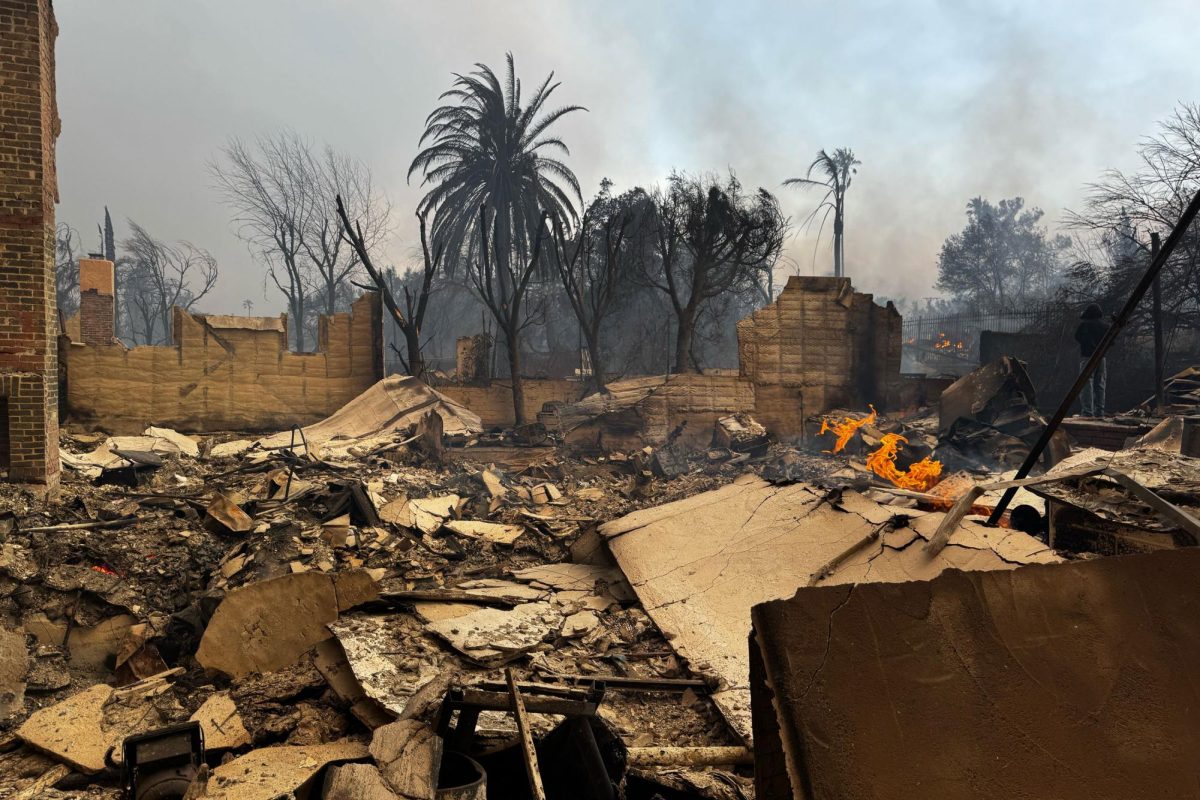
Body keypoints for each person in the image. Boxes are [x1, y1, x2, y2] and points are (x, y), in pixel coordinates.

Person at [1074, 303, 1108, 417]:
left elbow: (1077, 337)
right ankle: (1100, 412)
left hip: (1087, 357)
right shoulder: (1105, 326)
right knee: (1100, 385)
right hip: (1101, 358)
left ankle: (1087, 412)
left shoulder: (1085, 325)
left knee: (1086, 385)